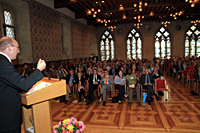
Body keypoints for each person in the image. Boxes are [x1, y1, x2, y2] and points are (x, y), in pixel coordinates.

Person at [0, 37, 46, 133]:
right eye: (17, 48)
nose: (18, 51)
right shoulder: (3, 63)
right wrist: (38, 70)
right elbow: (23, 84)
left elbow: (9, 83)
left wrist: (22, 88)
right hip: (7, 117)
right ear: (9, 47)